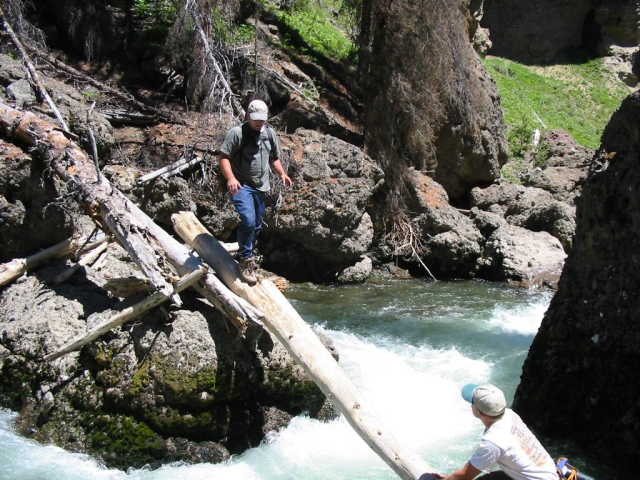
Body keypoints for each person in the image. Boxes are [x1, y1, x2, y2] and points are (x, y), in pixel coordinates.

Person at [217, 99, 292, 285]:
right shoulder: (237, 133)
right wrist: (231, 179)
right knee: (248, 221)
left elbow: (274, 158)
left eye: (262, 119)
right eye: (256, 119)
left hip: (261, 187)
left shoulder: (269, 134)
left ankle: (248, 254)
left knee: (257, 225)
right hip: (241, 185)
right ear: (248, 116)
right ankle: (245, 259)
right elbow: (224, 158)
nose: (259, 122)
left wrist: (282, 173)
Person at [437, 383, 558, 480]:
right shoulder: (510, 415)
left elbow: (465, 476)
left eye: (472, 403)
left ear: (479, 412)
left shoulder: (493, 441)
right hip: (548, 473)